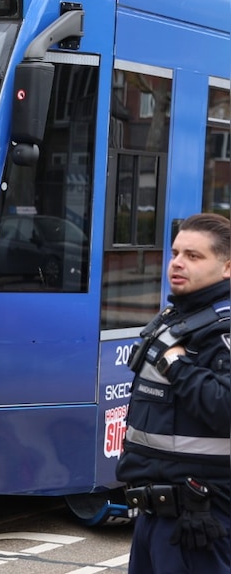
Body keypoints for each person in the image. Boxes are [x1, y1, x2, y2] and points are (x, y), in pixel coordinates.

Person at [117, 212, 230, 573]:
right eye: (176, 252)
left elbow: (225, 406)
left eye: (194, 256)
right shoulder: (178, 318)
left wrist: (176, 365)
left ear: (227, 267)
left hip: (200, 521)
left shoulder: (222, 329)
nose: (178, 263)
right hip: (154, 514)